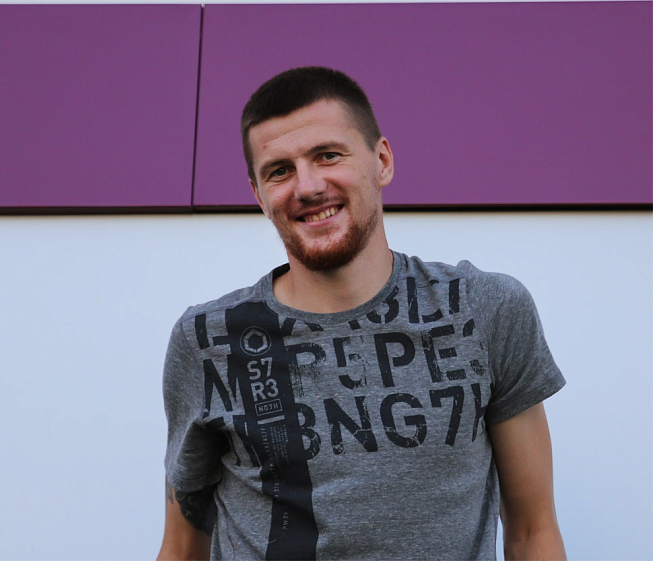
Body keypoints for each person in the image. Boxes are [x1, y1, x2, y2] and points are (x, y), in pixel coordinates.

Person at [157, 66, 566, 561]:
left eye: (328, 156)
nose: (307, 187)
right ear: (258, 195)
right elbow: (181, 549)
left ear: (382, 161)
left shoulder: (483, 309)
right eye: (279, 171)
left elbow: (532, 530)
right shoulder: (208, 340)